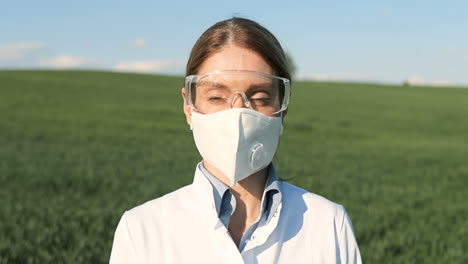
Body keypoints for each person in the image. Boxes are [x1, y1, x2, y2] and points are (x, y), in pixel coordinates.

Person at [110, 17, 362, 264]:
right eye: (217, 96)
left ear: (282, 109)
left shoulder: (329, 224)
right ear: (189, 107)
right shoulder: (141, 230)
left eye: (260, 97)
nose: (238, 112)